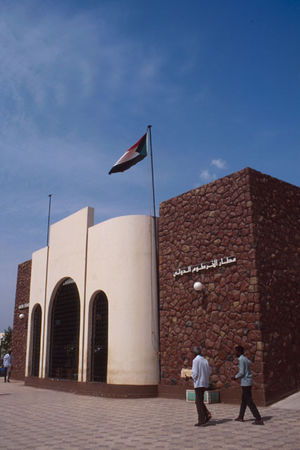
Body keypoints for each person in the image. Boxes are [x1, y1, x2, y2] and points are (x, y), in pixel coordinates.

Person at [232, 345, 264, 425]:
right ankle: (240, 417)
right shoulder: (245, 359)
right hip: (248, 382)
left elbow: (242, 372)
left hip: (245, 382)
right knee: (244, 400)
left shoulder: (241, 360)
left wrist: (235, 377)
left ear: (239, 352)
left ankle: (258, 418)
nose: (234, 353)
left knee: (249, 401)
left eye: (236, 351)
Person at [191, 346, 212, 426]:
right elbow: (209, 371)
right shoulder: (205, 360)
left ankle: (201, 419)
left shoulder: (195, 360)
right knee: (199, 401)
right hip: (204, 383)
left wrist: (190, 377)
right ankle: (207, 414)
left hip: (198, 383)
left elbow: (195, 373)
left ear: (195, 353)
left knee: (198, 402)